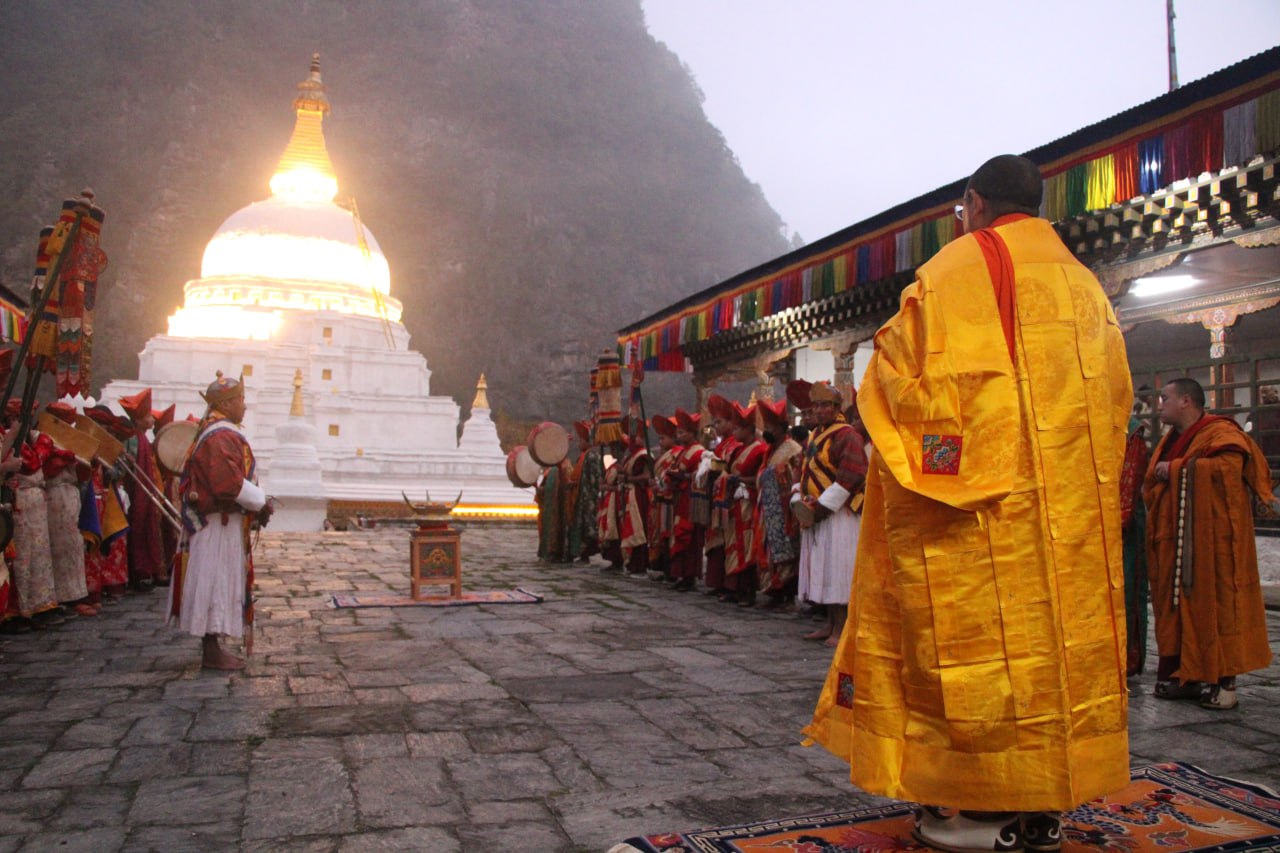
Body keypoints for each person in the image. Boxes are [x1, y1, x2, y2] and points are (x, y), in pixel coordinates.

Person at [806, 155, 1134, 852]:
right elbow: (1115, 403)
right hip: (1064, 522)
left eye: (963, 209)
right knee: (1051, 653)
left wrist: (956, 460)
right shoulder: (1086, 286)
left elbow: (899, 382)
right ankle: (1045, 794)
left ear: (975, 203)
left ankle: (979, 802)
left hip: (976, 518)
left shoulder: (954, 271)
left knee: (975, 659)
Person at [1142, 376, 1275, 709]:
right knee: (1176, 603)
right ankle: (1186, 674)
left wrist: (1175, 469)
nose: (1160, 407)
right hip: (1177, 540)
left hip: (1214, 542)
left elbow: (1227, 473)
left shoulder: (1221, 434)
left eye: (1165, 399)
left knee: (1217, 604)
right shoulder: (1173, 438)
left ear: (1186, 401)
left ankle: (1223, 681)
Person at [169, 372, 272, 670]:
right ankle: (211, 650)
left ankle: (214, 646)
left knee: (218, 580)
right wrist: (260, 500)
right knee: (215, 581)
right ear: (226, 404)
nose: (245, 406)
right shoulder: (221, 436)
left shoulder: (216, 432)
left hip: (219, 522)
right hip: (216, 524)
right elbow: (228, 484)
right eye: (241, 400)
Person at [791, 381, 865, 647]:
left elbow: (853, 475)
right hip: (817, 510)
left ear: (836, 408)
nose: (819, 410)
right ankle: (831, 623)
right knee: (824, 569)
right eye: (816, 406)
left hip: (839, 513)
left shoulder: (847, 435)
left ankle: (843, 627)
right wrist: (798, 497)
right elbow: (803, 469)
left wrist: (822, 507)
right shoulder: (814, 435)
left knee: (839, 570)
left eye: (825, 405)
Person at [754, 399, 803, 608]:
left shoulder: (792, 448)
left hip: (784, 508)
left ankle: (786, 593)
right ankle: (773, 590)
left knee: (786, 548)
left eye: (771, 427)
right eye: (766, 427)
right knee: (770, 548)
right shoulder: (770, 450)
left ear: (782, 429)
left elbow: (795, 474)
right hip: (769, 506)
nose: (767, 431)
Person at [119, 388, 166, 590]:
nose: (151, 419)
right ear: (138, 420)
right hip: (135, 491)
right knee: (138, 528)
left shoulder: (143, 438)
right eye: (147, 415)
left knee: (149, 529)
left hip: (147, 489)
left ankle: (148, 569)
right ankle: (137, 572)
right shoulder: (132, 437)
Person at [666, 408, 706, 591]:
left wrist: (681, 477)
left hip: (691, 499)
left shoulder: (698, 452)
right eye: (678, 432)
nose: (678, 435)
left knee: (689, 537)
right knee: (680, 535)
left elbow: (699, 476)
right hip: (681, 498)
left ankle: (689, 576)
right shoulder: (684, 451)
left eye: (682, 432)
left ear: (692, 433)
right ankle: (680, 574)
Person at [565, 420, 602, 562]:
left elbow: (591, 480)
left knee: (588, 527)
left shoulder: (591, 456)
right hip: (581, 496)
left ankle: (586, 553)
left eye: (581, 440)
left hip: (588, 498)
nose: (578, 443)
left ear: (588, 441)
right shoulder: (583, 456)